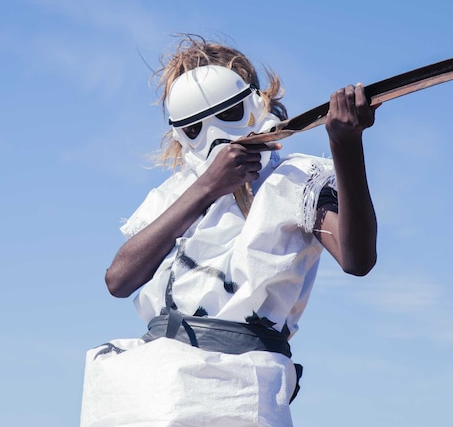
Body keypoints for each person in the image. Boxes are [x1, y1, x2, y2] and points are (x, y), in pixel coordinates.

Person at [80, 35, 378, 427]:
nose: (214, 135)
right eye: (193, 129)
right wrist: (206, 188)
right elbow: (119, 280)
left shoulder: (293, 180)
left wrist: (346, 146)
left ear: (257, 104)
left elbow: (358, 259)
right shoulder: (174, 193)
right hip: (144, 390)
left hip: (233, 391)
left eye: (230, 113)